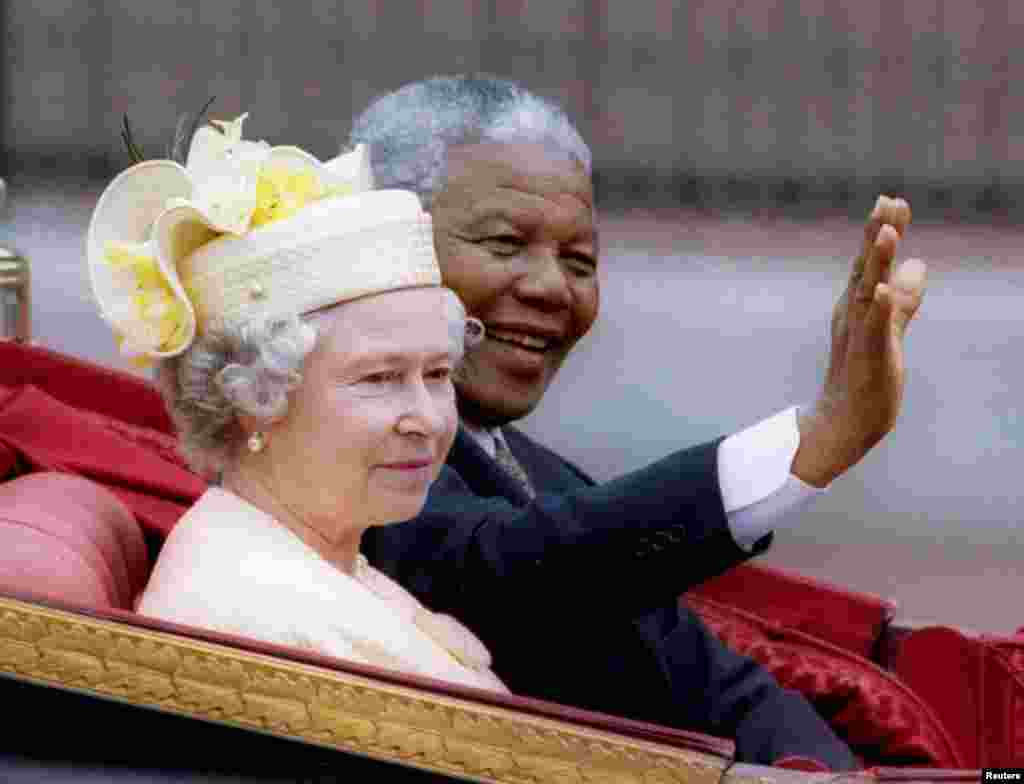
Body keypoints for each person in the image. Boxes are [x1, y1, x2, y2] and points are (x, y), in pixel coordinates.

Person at [352, 75, 928, 769]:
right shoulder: (333, 448)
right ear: (378, 240)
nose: (550, 287)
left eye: (580, 261)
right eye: (506, 244)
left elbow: (717, 687)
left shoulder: (538, 474)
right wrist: (816, 441)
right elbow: (519, 576)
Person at [85, 111, 506, 692]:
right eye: (379, 379)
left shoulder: (318, 559)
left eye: (437, 373)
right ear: (252, 397)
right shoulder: (251, 623)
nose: (429, 419)